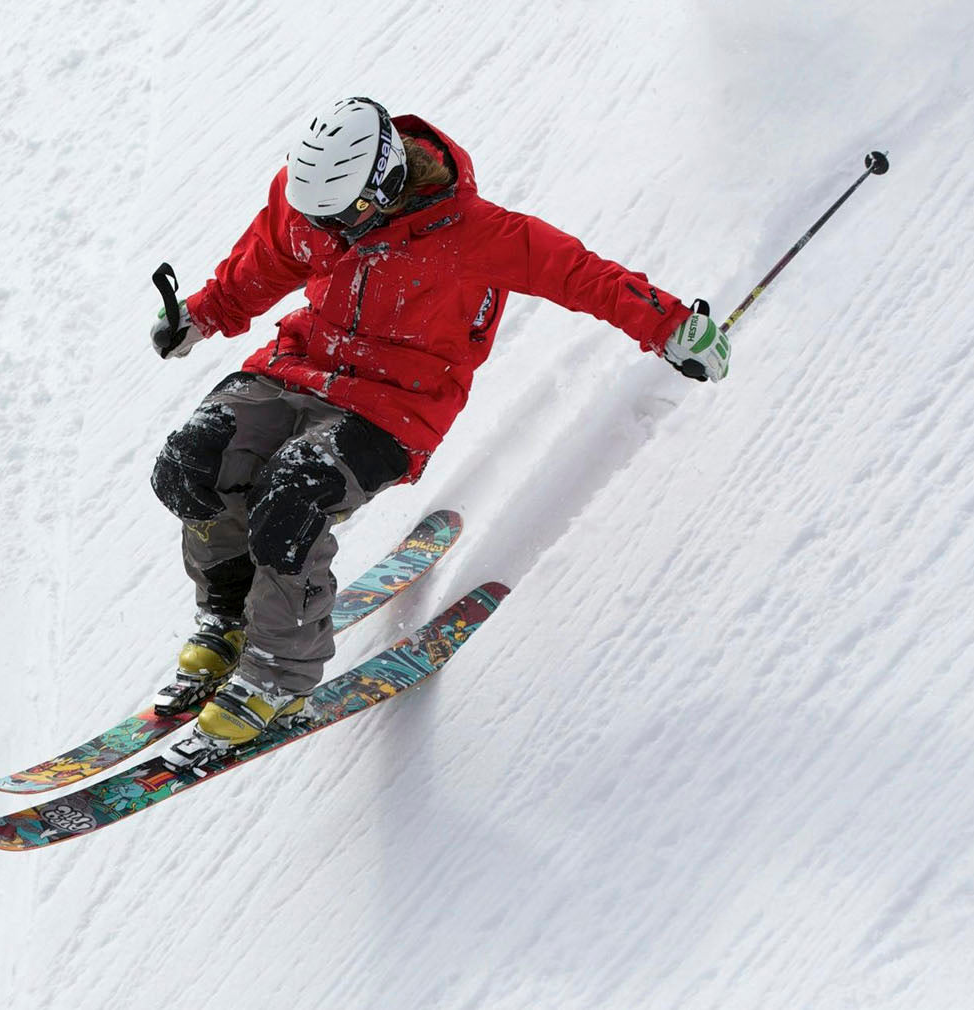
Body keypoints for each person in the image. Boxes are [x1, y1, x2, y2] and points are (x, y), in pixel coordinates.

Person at [147, 97, 729, 760]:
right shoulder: (312, 201)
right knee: (190, 465)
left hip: (393, 405)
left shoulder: (478, 234)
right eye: (318, 216)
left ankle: (278, 674)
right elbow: (270, 257)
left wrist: (670, 324)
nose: (330, 230)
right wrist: (201, 313)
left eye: (342, 216)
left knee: (288, 499)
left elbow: (583, 276)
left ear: (386, 180)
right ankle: (228, 617)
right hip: (297, 368)